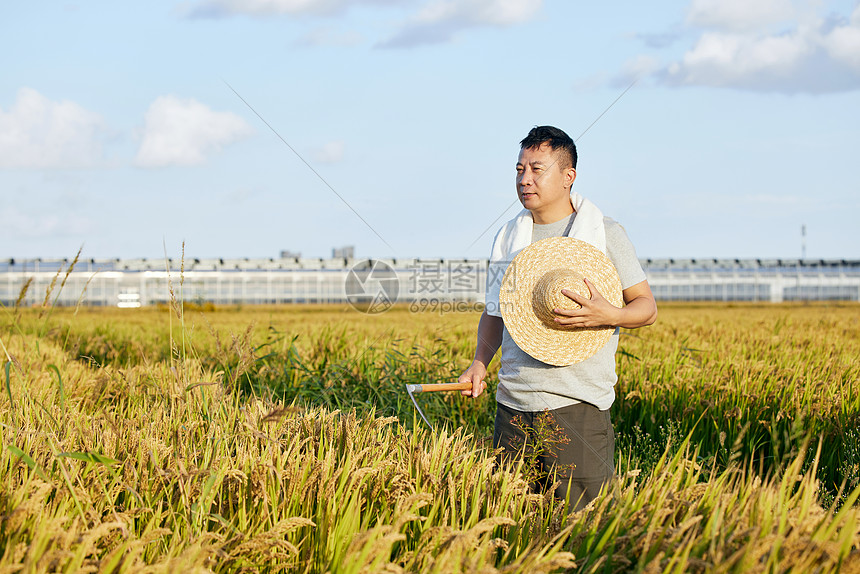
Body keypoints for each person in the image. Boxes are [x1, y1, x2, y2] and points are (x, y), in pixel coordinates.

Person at [458, 125, 657, 510]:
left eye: (536, 169)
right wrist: (480, 363)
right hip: (512, 405)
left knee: (585, 528)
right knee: (512, 524)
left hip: (577, 406)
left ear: (569, 177)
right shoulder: (507, 237)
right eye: (519, 169)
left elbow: (646, 307)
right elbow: (495, 311)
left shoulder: (605, 233)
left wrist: (609, 313)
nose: (524, 179)